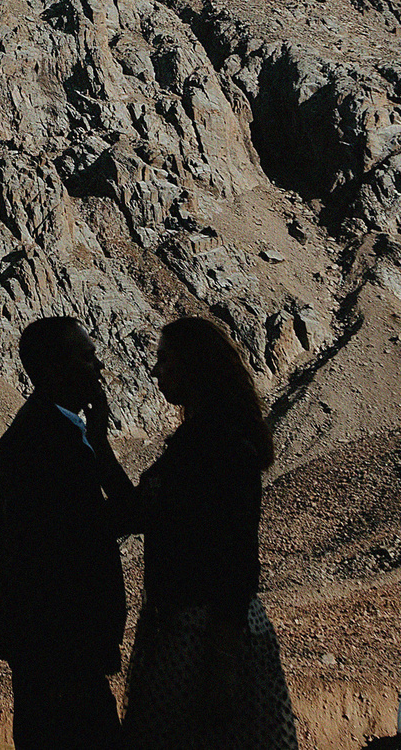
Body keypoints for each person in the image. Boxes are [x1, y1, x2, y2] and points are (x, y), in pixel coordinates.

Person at [117, 314, 299, 750]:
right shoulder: (201, 440)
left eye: (164, 360)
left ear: (193, 367)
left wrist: (222, 660)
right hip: (193, 629)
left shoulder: (216, 444)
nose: (155, 371)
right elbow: (139, 514)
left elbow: (236, 556)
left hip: (206, 635)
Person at [0, 316, 135, 750]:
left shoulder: (50, 431)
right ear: (55, 369)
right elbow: (98, 525)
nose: (99, 367)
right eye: (87, 358)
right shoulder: (46, 443)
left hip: (54, 655)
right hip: (60, 655)